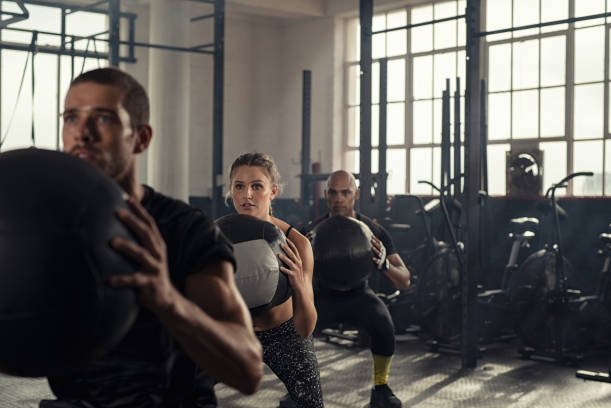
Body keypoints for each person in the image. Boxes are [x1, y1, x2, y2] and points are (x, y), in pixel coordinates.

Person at [40, 68, 263, 407]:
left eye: (102, 119)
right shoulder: (49, 223)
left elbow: (248, 371)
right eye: (71, 118)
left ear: (141, 138)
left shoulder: (185, 228)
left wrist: (167, 299)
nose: (81, 133)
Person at [304, 170, 411, 408]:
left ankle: (381, 389)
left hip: (358, 294)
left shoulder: (374, 231)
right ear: (326, 194)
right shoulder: (312, 231)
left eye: (345, 192)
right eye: (333, 192)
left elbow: (404, 280)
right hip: (323, 296)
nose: (339, 198)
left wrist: (385, 265)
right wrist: (304, 258)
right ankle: (298, 389)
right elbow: (290, 277)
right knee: (294, 329)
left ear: (356, 194)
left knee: (383, 324)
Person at [226, 152, 324, 408]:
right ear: (231, 191)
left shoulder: (297, 245)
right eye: (240, 186)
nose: (247, 195)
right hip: (235, 331)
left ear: (273, 192)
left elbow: (305, 328)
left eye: (257, 186)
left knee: (311, 401)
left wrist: (300, 286)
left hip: (283, 333)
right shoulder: (216, 237)